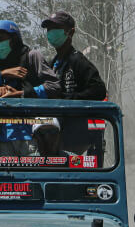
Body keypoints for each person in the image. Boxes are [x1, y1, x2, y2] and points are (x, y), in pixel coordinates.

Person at [0, 20, 61, 155]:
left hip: (32, 135)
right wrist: (1, 75)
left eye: (1, 39)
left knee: (32, 175)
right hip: (5, 137)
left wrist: (20, 94)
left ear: (14, 39)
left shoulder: (32, 56)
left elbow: (54, 86)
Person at [41, 10, 107, 155]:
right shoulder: (53, 63)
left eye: (56, 29)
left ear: (70, 32)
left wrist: (70, 99)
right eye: (49, 29)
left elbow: (99, 89)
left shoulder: (78, 60)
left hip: (76, 135)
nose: (51, 33)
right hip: (56, 134)